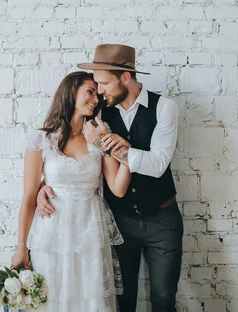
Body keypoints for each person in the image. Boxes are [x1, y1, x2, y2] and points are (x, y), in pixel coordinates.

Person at [37, 44, 184, 312]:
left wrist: (119, 149)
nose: (100, 91)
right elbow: (66, 149)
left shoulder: (165, 107)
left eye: (104, 83)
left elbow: (158, 164)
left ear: (125, 77)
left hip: (163, 219)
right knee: (122, 300)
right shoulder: (100, 112)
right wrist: (43, 187)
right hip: (119, 221)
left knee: (163, 299)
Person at [10, 71, 131, 312]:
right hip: (52, 233)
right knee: (52, 297)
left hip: (90, 231)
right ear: (70, 93)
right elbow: (28, 197)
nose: (96, 99)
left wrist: (127, 155)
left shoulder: (99, 133)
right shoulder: (41, 139)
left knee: (91, 300)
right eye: (90, 92)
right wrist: (21, 247)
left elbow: (117, 188)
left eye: (97, 94)